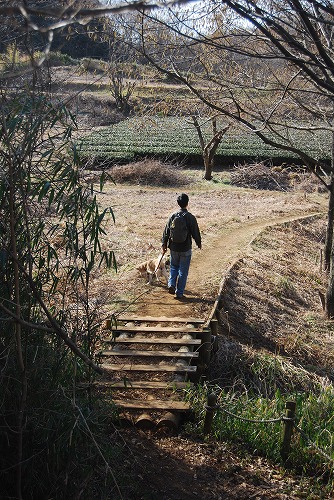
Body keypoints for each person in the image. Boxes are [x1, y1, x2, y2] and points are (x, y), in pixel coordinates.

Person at [161, 193, 201, 300]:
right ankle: (179, 293)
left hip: (173, 248)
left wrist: (163, 244)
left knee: (174, 267)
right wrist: (199, 243)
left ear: (178, 203)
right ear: (187, 203)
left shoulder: (172, 216)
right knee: (183, 271)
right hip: (186, 248)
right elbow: (195, 232)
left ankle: (171, 284)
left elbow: (166, 231)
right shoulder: (190, 217)